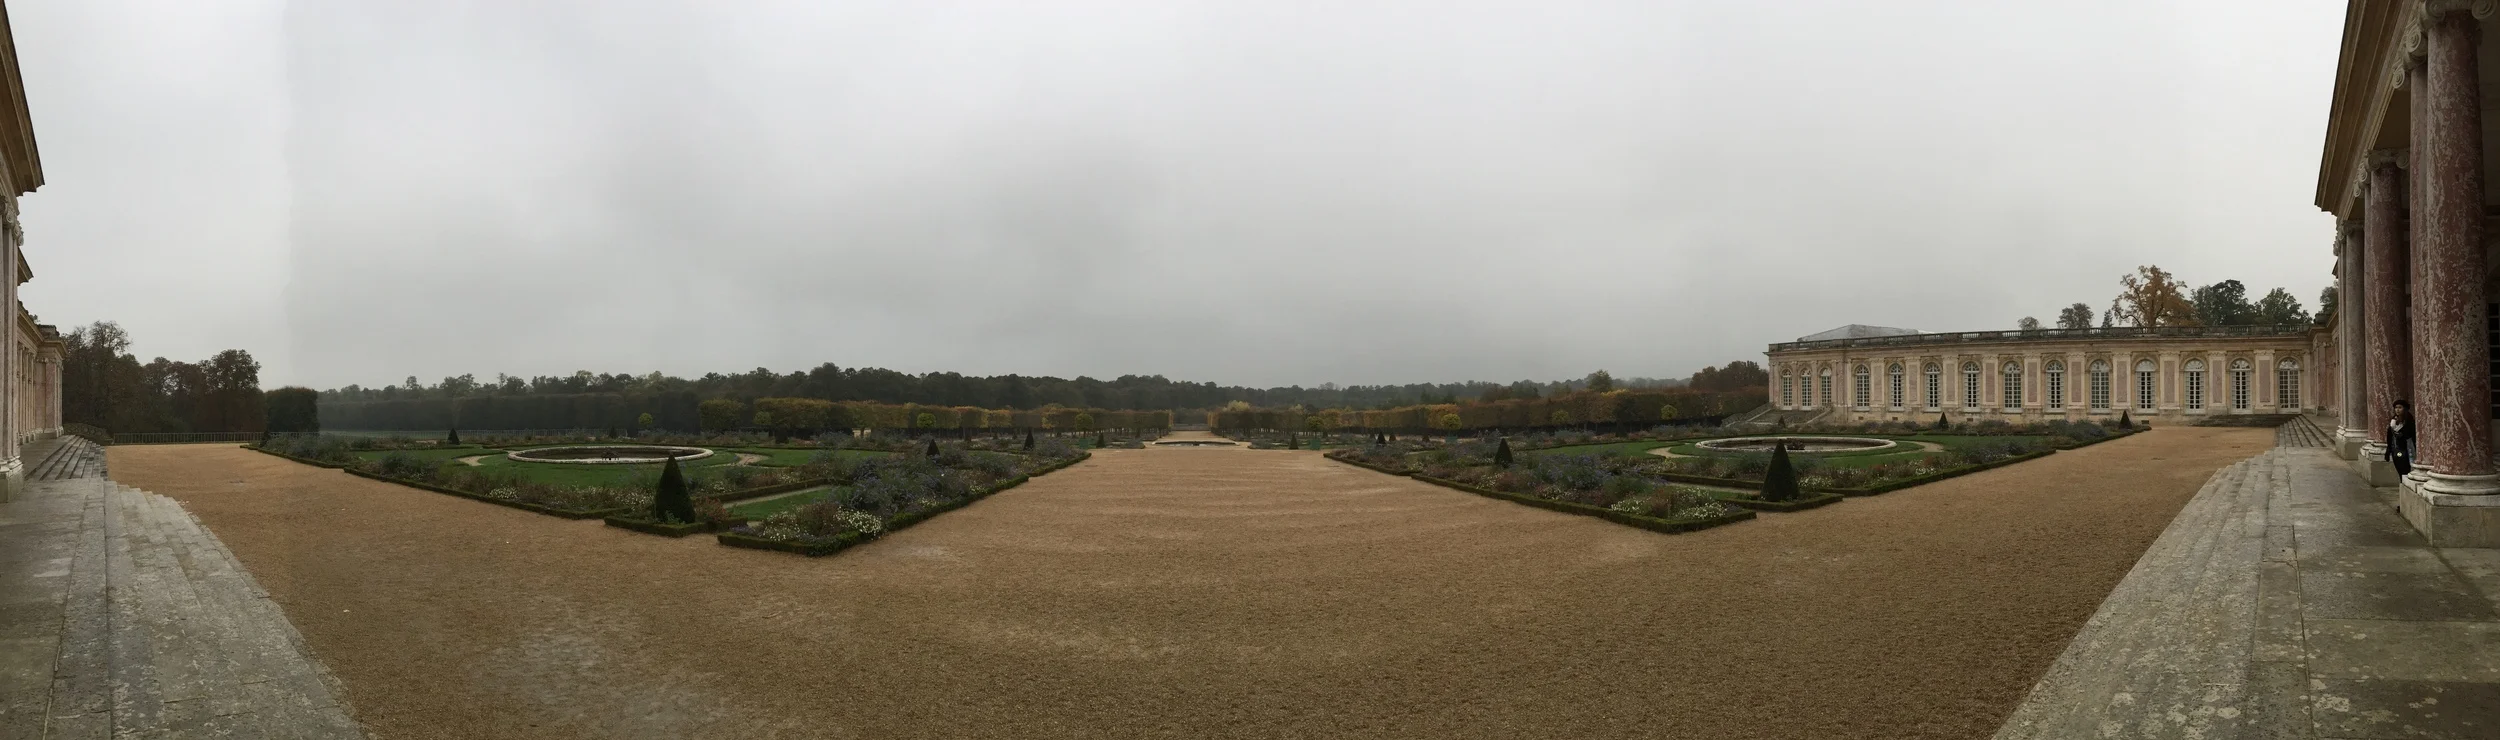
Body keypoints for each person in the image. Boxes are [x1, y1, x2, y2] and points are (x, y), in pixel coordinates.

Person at [2388, 399, 2417, 476]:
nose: (2397, 410)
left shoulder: (2409, 421)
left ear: (2405, 409)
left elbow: (2412, 435)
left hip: (2407, 449)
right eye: (2396, 407)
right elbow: (2389, 436)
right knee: (2399, 467)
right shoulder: (2393, 421)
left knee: (2406, 468)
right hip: (2396, 448)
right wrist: (2388, 450)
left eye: (2400, 407)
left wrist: (2402, 434)